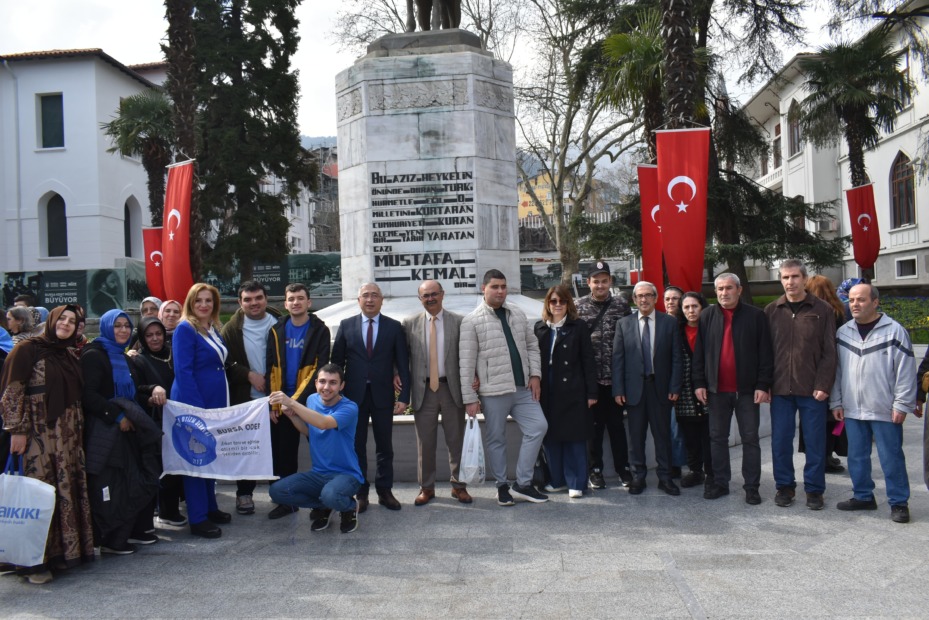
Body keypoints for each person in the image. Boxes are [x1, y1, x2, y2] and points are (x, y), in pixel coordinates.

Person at [0, 305, 94, 584]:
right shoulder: (28, 349)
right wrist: (16, 430)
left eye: (73, 321)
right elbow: (12, 392)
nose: (66, 324)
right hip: (38, 437)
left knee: (62, 492)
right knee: (37, 494)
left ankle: (60, 554)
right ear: (52, 320)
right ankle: (34, 563)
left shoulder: (67, 352)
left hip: (67, 438)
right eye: (62, 318)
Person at [831, 283, 919, 523]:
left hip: (885, 409)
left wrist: (902, 405)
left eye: (861, 299)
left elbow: (906, 372)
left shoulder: (894, 331)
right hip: (852, 409)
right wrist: (836, 401)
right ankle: (863, 496)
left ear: (875, 302)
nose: (855, 305)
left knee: (891, 457)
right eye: (851, 300)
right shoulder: (843, 332)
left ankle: (899, 502)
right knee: (856, 456)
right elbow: (837, 372)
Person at [459, 269, 549, 505]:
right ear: (484, 288)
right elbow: (466, 363)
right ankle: (502, 486)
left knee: (539, 426)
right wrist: (470, 397)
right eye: (495, 287)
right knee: (496, 439)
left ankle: (523, 483)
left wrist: (536, 375)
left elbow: (532, 346)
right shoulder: (472, 321)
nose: (500, 291)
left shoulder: (517, 314)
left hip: (522, 389)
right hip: (493, 391)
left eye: (503, 286)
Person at [81, 309, 162, 555]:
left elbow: (133, 391)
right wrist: (117, 416)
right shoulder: (94, 356)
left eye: (127, 326)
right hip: (104, 433)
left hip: (126, 433)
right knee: (109, 485)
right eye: (117, 326)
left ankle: (119, 537)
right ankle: (108, 538)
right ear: (106, 327)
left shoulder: (125, 358)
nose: (123, 330)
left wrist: (150, 396)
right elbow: (88, 395)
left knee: (127, 484)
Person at [693, 273, 773, 505]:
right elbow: (700, 352)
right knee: (717, 438)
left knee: (750, 439)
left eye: (728, 288)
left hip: (748, 391)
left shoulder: (756, 316)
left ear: (738, 290)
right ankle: (720, 482)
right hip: (717, 391)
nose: (724, 293)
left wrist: (762, 385)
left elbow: (765, 354)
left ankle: (751, 487)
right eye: (719, 289)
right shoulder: (707, 315)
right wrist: (699, 383)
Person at [764, 260, 837, 511]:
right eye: (785, 277)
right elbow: (764, 353)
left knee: (816, 442)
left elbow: (830, 351)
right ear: (780, 280)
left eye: (795, 276)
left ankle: (814, 490)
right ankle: (784, 486)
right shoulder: (772, 310)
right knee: (780, 442)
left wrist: (823, 383)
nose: (790, 282)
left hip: (812, 390)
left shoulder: (823, 310)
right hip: (780, 389)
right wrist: (765, 384)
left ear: (804, 279)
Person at [331, 283, 411, 512]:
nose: (370, 299)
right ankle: (361, 492)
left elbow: (403, 365)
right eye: (365, 295)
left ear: (381, 300)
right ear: (358, 300)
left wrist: (404, 396)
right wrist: (335, 394)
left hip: (383, 396)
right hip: (352, 398)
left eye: (374, 295)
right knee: (356, 447)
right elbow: (337, 362)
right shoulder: (346, 326)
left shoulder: (394, 327)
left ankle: (385, 492)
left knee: (385, 446)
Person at [267, 364, 363, 534]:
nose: (326, 387)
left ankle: (348, 507)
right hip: (318, 474)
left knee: (331, 494)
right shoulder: (312, 400)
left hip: (347, 475)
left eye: (333, 383)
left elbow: (324, 423)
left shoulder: (349, 407)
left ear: (342, 386)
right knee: (277, 491)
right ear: (316, 383)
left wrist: (291, 402)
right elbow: (309, 431)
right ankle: (326, 505)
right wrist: (292, 417)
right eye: (322, 382)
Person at [402, 280, 472, 505]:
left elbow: (468, 355)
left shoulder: (459, 322)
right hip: (424, 390)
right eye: (425, 295)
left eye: (434, 294)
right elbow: (402, 358)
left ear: (443, 295)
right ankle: (426, 488)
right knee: (425, 443)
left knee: (456, 440)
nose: (430, 298)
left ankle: (459, 486)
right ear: (419, 298)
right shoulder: (409, 324)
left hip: (452, 389)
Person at [170, 283, 232, 538]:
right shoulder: (185, 329)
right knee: (196, 459)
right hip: (195, 403)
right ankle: (197, 518)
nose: (204, 305)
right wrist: (197, 411)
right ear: (190, 303)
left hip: (213, 401)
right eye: (199, 301)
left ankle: (209, 507)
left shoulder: (212, 328)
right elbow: (183, 371)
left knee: (210, 455)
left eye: (209, 300)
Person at [266, 283, 332, 512]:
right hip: (282, 403)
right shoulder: (276, 330)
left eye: (300, 298)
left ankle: (323, 502)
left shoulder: (320, 329)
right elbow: (271, 367)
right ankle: (287, 502)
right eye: (291, 299)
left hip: (311, 402)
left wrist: (295, 401)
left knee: (321, 453)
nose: (296, 302)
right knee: (283, 454)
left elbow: (320, 368)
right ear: (285, 304)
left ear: (309, 302)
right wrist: (275, 403)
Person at [613, 281, 683, 496]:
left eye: (648, 295)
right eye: (639, 296)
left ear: (655, 298)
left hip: (660, 388)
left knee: (662, 435)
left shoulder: (669, 323)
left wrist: (674, 386)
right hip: (634, 390)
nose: (643, 299)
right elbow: (618, 359)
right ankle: (638, 477)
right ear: (634, 299)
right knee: (636, 437)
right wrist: (618, 390)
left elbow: (676, 358)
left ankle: (665, 477)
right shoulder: (624, 324)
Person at [221, 281, 282, 517]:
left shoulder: (280, 323)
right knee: (247, 450)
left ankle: (280, 494)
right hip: (246, 401)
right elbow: (225, 363)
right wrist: (248, 375)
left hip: (277, 399)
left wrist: (275, 394)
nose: (253, 303)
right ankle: (244, 493)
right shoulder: (231, 329)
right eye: (247, 299)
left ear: (266, 299)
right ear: (240, 302)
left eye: (258, 298)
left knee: (279, 449)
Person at [534, 284, 597, 498]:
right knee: (551, 437)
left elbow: (588, 361)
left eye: (562, 301)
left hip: (572, 389)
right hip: (546, 389)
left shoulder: (578, 327)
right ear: (548, 304)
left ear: (568, 303)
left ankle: (577, 482)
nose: (558, 305)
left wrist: (591, 393)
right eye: (553, 301)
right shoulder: (540, 328)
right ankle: (557, 479)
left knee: (574, 437)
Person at [575, 260, 633, 489]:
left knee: (617, 426)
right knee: (594, 427)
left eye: (604, 281)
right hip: (590, 381)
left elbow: (630, 340)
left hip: (615, 379)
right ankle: (595, 470)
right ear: (588, 283)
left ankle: (623, 469)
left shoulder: (621, 305)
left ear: (610, 281)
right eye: (596, 281)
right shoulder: (578, 307)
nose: (600, 285)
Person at [129, 316, 186, 527]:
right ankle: (164, 510)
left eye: (158, 334)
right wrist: (151, 394)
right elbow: (137, 390)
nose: (155, 339)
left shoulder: (174, 354)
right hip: (157, 420)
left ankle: (172, 508)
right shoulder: (138, 359)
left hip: (179, 418)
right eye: (149, 335)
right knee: (162, 467)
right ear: (142, 338)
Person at [805, 274, 848, 473]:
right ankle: (827, 455)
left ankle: (818, 457)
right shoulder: (839, 311)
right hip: (836, 372)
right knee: (833, 417)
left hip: (812, 372)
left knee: (815, 420)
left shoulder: (811, 311)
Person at [676, 292, 713, 491]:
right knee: (690, 435)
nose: (691, 311)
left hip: (708, 388)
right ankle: (695, 470)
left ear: (702, 307)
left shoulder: (710, 328)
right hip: (685, 392)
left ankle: (712, 471)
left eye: (695, 306)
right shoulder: (677, 330)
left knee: (709, 433)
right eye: (686, 307)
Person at [663, 285, 687, 479]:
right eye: (668, 299)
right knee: (672, 426)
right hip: (666, 383)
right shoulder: (660, 323)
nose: (671, 302)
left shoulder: (689, 323)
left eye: (675, 298)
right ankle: (676, 464)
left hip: (688, 383)